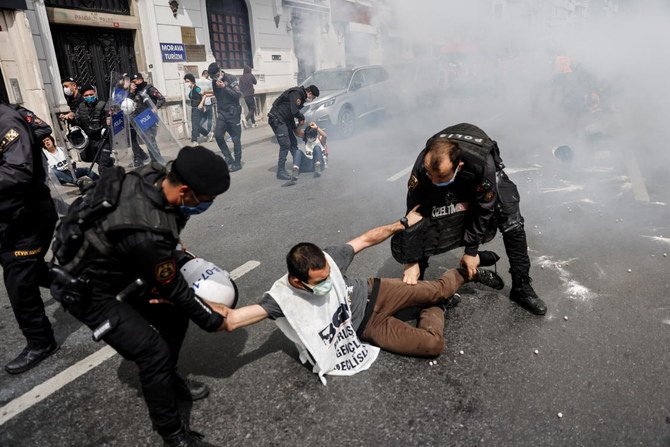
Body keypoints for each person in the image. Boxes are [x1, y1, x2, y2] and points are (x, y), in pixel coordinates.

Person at [50, 146, 230, 446]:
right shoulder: (146, 232)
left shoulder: (154, 175)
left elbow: (161, 248)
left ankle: (168, 379)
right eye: (206, 200)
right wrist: (212, 319)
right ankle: (173, 434)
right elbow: (173, 286)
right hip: (89, 290)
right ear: (185, 191)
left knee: (173, 317)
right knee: (152, 352)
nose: (206, 205)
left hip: (120, 264)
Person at [212, 211, 503, 384]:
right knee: (433, 344)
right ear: (298, 281)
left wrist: (400, 224)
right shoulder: (281, 299)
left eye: (329, 275)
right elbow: (232, 319)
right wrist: (180, 296)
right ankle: (433, 305)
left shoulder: (331, 259)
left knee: (440, 286)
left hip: (379, 292)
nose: (329, 281)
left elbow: (365, 239)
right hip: (367, 328)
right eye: (320, 281)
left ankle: (465, 272)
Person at [401, 123, 546, 315]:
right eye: (430, 175)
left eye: (440, 177)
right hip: (453, 176)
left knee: (513, 223)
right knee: (428, 218)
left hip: (479, 177)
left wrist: (471, 250)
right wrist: (412, 261)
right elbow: (414, 213)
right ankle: (420, 289)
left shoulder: (482, 164)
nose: (433, 181)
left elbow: (484, 209)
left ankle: (521, 287)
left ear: (458, 166)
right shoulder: (424, 166)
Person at [0, 103, 59, 374]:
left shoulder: (6, 120)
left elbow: (17, 171)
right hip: (9, 218)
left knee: (19, 280)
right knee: (32, 271)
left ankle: (41, 341)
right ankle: (80, 287)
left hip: (27, 218)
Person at [268, 84, 319, 180]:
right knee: (285, 144)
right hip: (277, 119)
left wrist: (295, 127)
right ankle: (280, 171)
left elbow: (290, 114)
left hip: (285, 120)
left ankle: (300, 164)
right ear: (310, 93)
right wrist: (301, 117)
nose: (312, 100)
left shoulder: (301, 97)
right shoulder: (296, 93)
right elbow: (294, 110)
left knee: (293, 142)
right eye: (313, 97)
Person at [207, 63, 242, 172]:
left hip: (233, 113)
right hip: (222, 113)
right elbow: (218, 97)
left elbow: (238, 95)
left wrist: (224, 87)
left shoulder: (231, 78)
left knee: (236, 139)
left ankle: (237, 162)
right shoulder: (214, 82)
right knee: (218, 135)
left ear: (220, 71)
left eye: (215, 75)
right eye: (212, 76)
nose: (214, 78)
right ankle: (228, 157)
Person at [75, 84, 114, 173]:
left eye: (91, 94)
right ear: (83, 97)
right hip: (90, 141)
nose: (89, 97)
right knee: (95, 160)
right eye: (86, 96)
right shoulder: (80, 108)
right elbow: (77, 122)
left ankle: (105, 185)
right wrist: (70, 118)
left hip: (103, 140)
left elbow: (110, 116)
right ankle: (112, 167)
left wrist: (111, 115)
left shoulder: (103, 105)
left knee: (102, 167)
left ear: (95, 93)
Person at [129, 73, 165, 165]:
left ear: (141, 79)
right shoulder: (134, 92)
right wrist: (131, 92)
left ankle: (158, 160)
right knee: (147, 140)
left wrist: (155, 107)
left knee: (150, 140)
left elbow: (162, 99)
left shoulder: (149, 88)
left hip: (149, 117)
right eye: (134, 81)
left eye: (138, 80)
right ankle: (155, 159)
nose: (137, 82)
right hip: (139, 119)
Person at [183, 74, 209, 143]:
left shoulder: (197, 88)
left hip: (198, 108)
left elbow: (204, 95)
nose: (186, 83)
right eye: (186, 81)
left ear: (192, 81)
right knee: (196, 125)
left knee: (195, 125)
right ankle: (208, 134)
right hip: (193, 108)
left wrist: (201, 104)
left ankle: (194, 140)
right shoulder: (191, 90)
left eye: (188, 81)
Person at [200, 70, 214, 138]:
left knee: (203, 117)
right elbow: (213, 91)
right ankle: (209, 133)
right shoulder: (208, 82)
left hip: (200, 103)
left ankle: (198, 129)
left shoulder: (198, 81)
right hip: (208, 102)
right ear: (206, 74)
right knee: (209, 118)